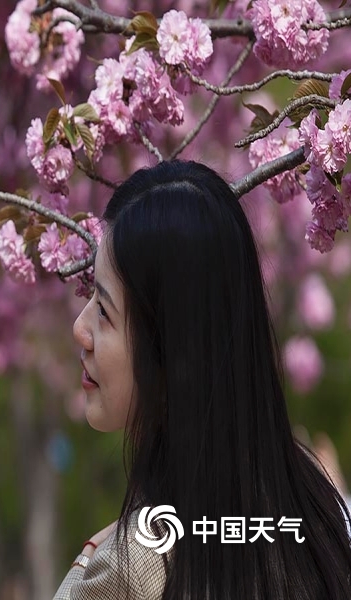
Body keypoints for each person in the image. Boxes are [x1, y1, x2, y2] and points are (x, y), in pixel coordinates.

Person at [54, 160, 351, 599]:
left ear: (172, 350)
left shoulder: (127, 570)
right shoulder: (313, 513)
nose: (81, 329)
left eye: (103, 310)